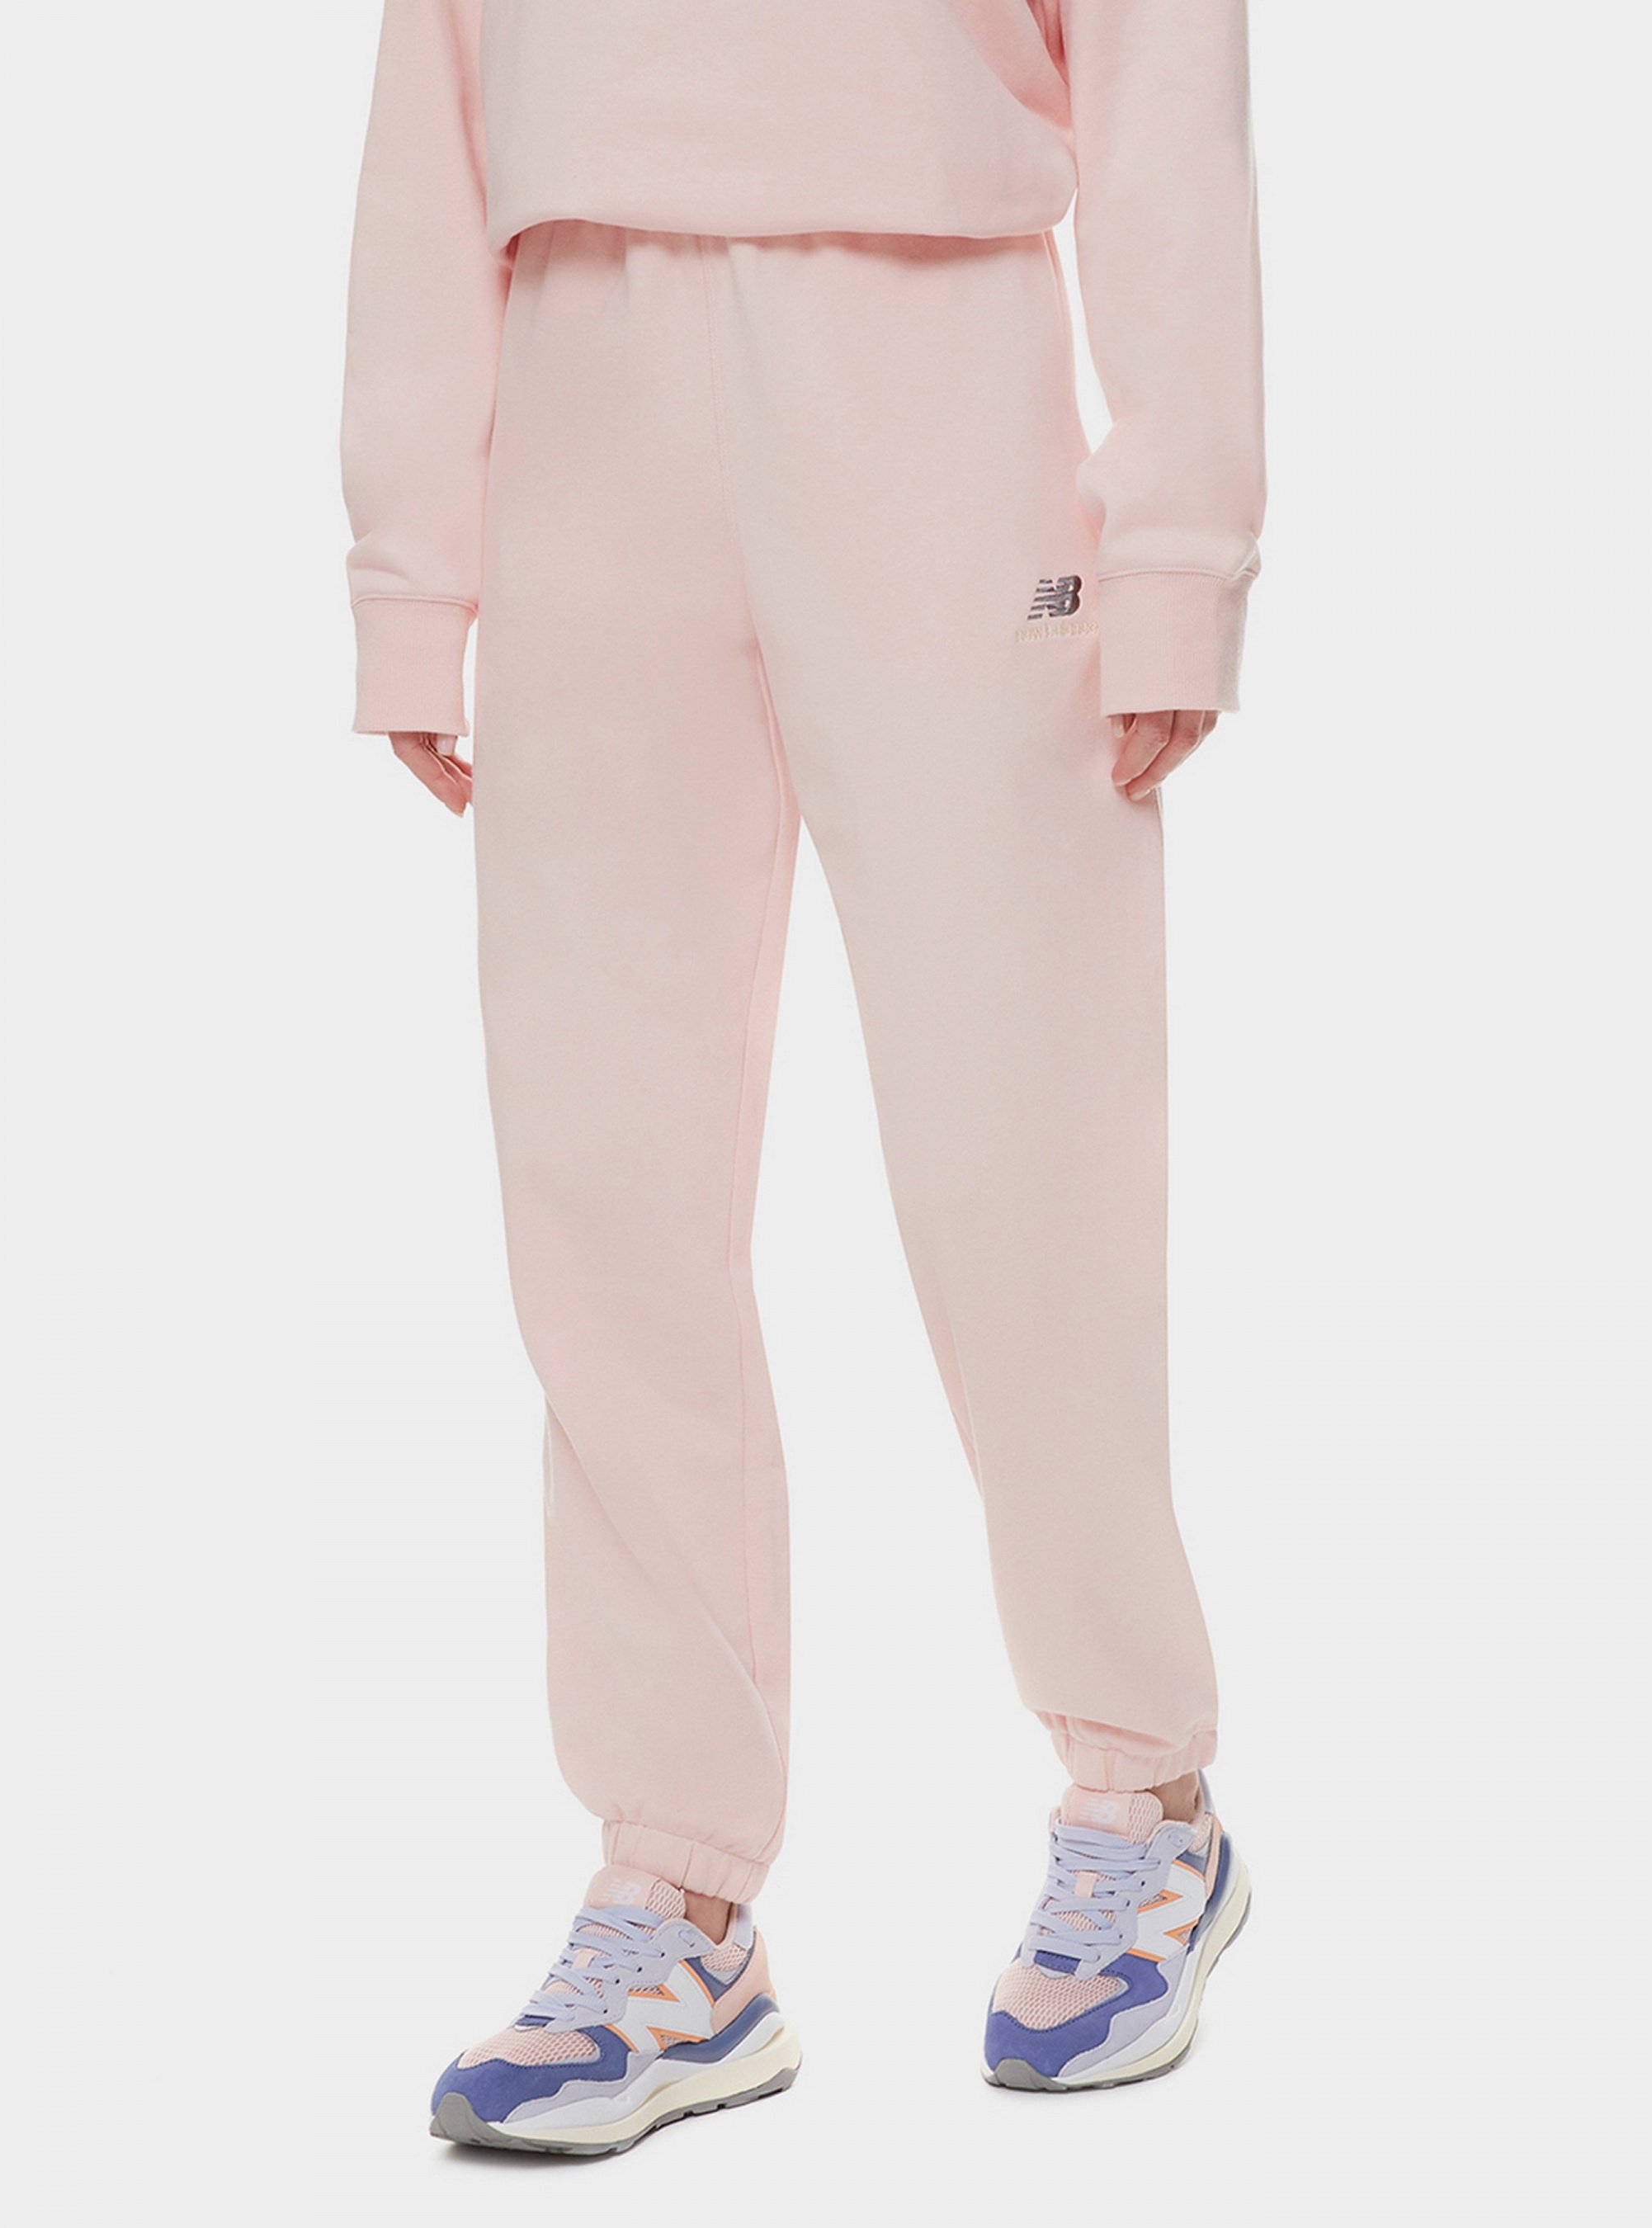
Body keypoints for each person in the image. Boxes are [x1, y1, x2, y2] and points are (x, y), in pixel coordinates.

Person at [342, 0, 1263, 2155]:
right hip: (581, 372)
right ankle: (676, 1897)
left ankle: (1143, 1791)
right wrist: (412, 569)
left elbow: (1160, 72)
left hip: (932, 351)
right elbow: (431, 98)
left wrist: (1177, 545)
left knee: (1013, 1131)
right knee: (602, 1172)